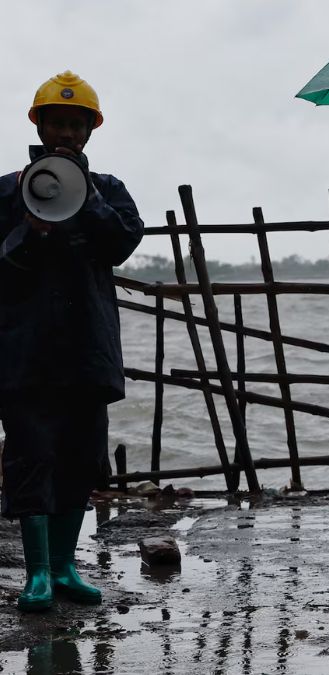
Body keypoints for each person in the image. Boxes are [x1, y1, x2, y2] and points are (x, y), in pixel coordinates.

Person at [0, 71, 143, 611]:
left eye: (75, 124)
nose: (65, 133)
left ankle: (64, 566)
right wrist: (26, 235)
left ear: (89, 131)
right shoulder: (8, 189)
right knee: (31, 457)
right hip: (24, 350)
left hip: (87, 349)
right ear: (39, 124)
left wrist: (85, 200)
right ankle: (36, 572)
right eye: (56, 122)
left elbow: (124, 243)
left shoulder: (108, 189)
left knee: (81, 459)